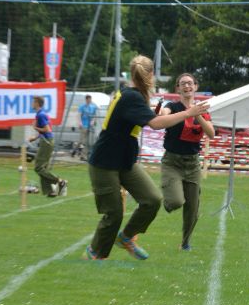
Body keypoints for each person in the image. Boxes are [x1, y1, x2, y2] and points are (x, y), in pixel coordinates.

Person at [86, 55, 211, 260]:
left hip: (125, 161)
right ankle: (95, 253)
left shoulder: (131, 94)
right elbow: (156, 124)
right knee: (114, 213)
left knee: (152, 200)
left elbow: (143, 118)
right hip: (105, 162)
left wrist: (153, 113)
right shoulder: (132, 97)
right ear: (150, 75)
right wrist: (190, 112)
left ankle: (126, 237)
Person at [160, 72, 215, 251]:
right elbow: (163, 114)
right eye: (183, 83)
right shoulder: (172, 106)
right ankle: (168, 200)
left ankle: (185, 242)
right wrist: (184, 112)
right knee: (176, 201)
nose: (187, 86)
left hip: (192, 164)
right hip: (172, 162)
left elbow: (211, 134)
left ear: (195, 87)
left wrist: (197, 115)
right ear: (178, 88)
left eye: (190, 83)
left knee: (193, 209)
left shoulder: (203, 110)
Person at [31, 96, 67, 198]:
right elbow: (46, 130)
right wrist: (35, 137)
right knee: (43, 168)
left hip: (46, 142)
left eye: (33, 102)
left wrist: (35, 127)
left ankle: (60, 181)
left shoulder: (40, 115)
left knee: (38, 167)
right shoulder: (41, 114)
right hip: (47, 141)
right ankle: (50, 191)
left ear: (37, 103)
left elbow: (47, 129)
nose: (32, 104)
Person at [78, 94, 98, 160]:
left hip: (89, 126)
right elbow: (79, 115)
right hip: (84, 125)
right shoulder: (82, 106)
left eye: (90, 99)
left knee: (84, 141)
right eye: (88, 99)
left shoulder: (93, 107)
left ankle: (79, 152)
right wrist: (80, 122)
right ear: (86, 99)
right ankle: (82, 155)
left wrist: (93, 121)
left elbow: (95, 115)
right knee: (84, 141)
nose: (90, 100)